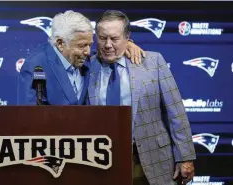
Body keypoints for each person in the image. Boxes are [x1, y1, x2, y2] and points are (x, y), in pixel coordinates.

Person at [87, 10, 196, 185]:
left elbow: (176, 112)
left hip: (150, 159)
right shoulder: (86, 66)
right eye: (102, 38)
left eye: (114, 39)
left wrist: (186, 157)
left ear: (127, 37)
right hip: (100, 161)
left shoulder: (153, 62)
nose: (107, 45)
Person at [17, 10, 145, 105]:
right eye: (82, 46)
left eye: (89, 44)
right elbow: (28, 118)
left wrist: (127, 43)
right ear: (60, 43)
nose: (88, 52)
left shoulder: (87, 60)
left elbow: (111, 50)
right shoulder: (36, 65)